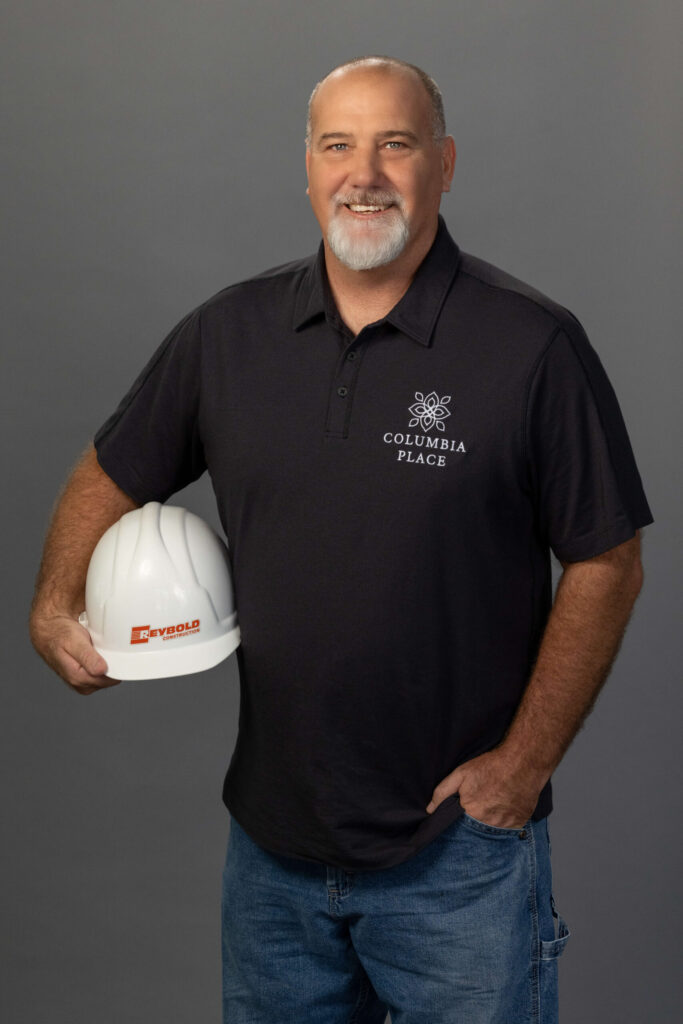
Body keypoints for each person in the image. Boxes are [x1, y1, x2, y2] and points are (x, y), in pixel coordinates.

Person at [30, 55, 653, 1024]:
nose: (362, 172)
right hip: (270, 857)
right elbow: (109, 471)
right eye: (337, 146)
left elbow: (606, 559)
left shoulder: (530, 345)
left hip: (458, 861)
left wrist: (520, 767)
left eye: (393, 144)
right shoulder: (226, 336)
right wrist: (53, 600)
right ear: (308, 168)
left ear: (443, 164)